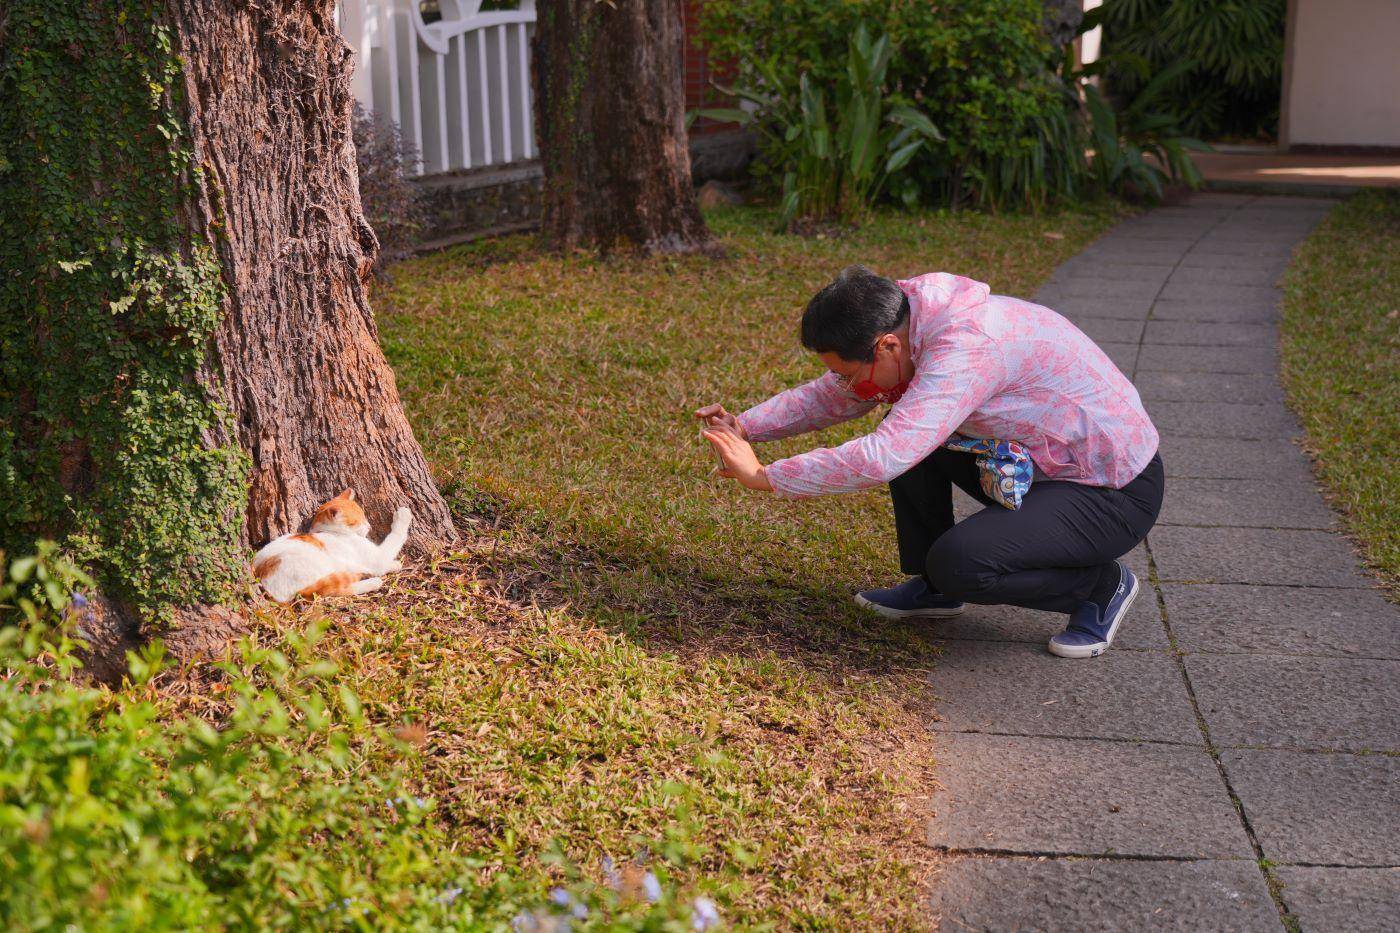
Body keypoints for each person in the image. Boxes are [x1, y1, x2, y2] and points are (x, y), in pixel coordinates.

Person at [697, 266, 1163, 659]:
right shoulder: (903, 314)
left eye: (846, 372)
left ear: (886, 347)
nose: (841, 383)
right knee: (914, 430)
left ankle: (1098, 586)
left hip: (1109, 489)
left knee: (960, 561)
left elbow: (883, 456)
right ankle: (936, 591)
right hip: (1032, 462)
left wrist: (766, 477)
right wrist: (746, 426)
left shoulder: (966, 348)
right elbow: (834, 397)